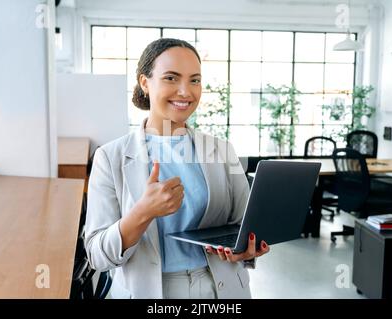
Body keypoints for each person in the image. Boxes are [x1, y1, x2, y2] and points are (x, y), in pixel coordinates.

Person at [85, 38, 270, 299]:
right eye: (171, 78)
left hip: (223, 289)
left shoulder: (222, 150)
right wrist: (142, 212)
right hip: (151, 291)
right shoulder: (110, 157)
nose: (185, 91)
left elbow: (242, 225)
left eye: (194, 80)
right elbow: (96, 255)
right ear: (144, 83)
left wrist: (247, 249)